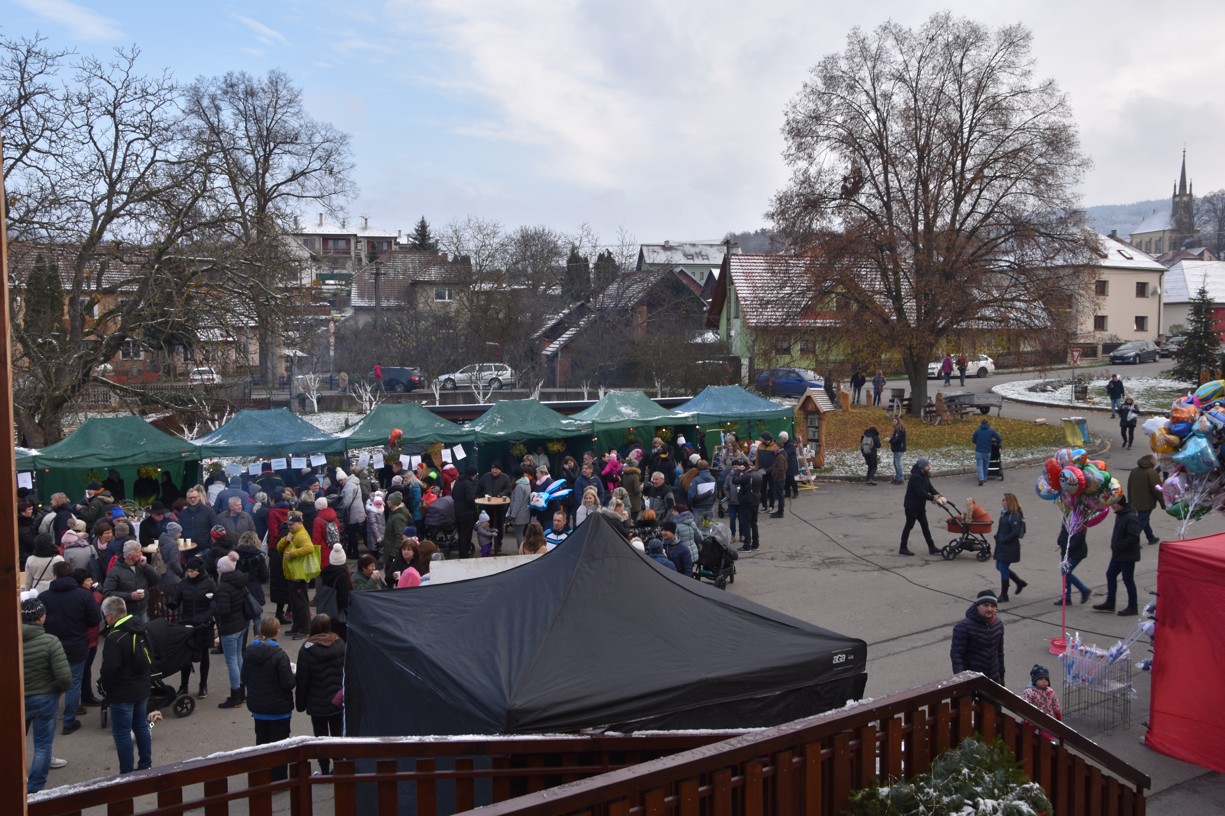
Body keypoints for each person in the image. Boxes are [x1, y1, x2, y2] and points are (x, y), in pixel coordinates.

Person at [40, 561, 102, 737]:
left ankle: (48, 719)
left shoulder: (44, 597)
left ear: (55, 576)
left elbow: (39, 622)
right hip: (76, 644)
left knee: (52, 682)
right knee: (74, 683)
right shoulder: (83, 596)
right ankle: (69, 721)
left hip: (51, 645)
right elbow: (94, 619)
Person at [22, 592, 73, 792]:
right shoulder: (50, 641)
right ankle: (35, 789)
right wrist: (58, 690)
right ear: (41, 617)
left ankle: (15, 782)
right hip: (44, 697)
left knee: (15, 743)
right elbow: (65, 677)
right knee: (42, 745)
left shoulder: (8, 640)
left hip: (17, 699)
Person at [99, 596, 153, 774]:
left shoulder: (114, 637)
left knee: (122, 733)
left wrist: (105, 687)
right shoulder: (140, 627)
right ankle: (146, 765)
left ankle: (127, 772)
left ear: (110, 616)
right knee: (141, 726)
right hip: (142, 686)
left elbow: (110, 669)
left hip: (122, 692)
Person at [241, 616, 296, 781]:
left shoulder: (250, 652)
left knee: (262, 742)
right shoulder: (280, 655)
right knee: (279, 745)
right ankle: (278, 779)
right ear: (277, 632)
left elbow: (244, 677)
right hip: (279, 708)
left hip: (258, 707)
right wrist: (294, 674)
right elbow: (288, 684)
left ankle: (262, 776)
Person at [294, 614, 345, 776]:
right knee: (337, 735)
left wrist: (300, 703)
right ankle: (339, 766)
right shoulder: (339, 644)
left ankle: (324, 769)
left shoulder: (306, 649)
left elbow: (302, 680)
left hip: (316, 702)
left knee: (320, 737)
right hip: (337, 700)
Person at [170, 556, 215, 698]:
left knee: (204, 654)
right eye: (188, 571)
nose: (189, 574)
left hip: (204, 624)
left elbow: (215, 603)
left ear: (199, 571)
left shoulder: (209, 583)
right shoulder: (183, 583)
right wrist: (172, 603)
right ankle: (184, 686)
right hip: (188, 623)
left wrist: (207, 615)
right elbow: (176, 598)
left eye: (192, 571)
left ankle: (203, 685)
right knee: (186, 655)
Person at [214, 551, 251, 708]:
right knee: (238, 657)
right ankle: (242, 692)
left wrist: (213, 604)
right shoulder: (240, 580)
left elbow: (224, 610)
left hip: (230, 627)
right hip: (241, 624)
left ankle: (235, 694)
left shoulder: (224, 586)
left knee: (231, 661)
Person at [1093, 496, 1141, 616]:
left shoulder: (1130, 517)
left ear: (1121, 504)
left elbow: (1134, 537)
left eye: (1114, 504)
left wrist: (1119, 545)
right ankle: (1110, 603)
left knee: (1128, 580)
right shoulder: (1120, 515)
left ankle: (1133, 607)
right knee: (1110, 574)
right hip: (1118, 554)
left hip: (1127, 555)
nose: (1112, 506)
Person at [950, 589, 1005, 684]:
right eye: (986, 605)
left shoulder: (998, 624)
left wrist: (1001, 676)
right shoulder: (963, 627)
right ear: (977, 606)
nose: (989, 609)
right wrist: (961, 680)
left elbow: (999, 652)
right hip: (973, 681)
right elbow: (957, 655)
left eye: (993, 606)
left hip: (994, 678)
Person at [277, 512, 318, 640]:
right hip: (292, 575)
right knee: (295, 603)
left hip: (298, 575)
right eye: (288, 524)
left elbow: (309, 548)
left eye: (292, 524)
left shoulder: (301, 535)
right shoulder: (293, 534)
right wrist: (285, 540)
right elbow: (279, 548)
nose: (289, 526)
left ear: (299, 523)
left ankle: (305, 629)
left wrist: (293, 553)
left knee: (301, 604)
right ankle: (297, 627)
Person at [102, 540, 161, 622]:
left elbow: (157, 579)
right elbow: (107, 593)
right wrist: (130, 596)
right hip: (126, 613)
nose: (141, 554)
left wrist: (146, 566)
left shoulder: (141, 565)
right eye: (138, 552)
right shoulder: (115, 571)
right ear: (129, 555)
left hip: (143, 609)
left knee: (144, 629)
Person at [899, 459, 944, 556]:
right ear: (921, 467)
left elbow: (930, 488)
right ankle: (903, 547)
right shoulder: (915, 477)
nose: (929, 467)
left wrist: (939, 496)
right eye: (927, 465)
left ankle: (932, 547)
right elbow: (920, 492)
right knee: (909, 526)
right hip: (912, 506)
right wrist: (933, 498)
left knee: (925, 526)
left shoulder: (925, 475)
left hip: (920, 506)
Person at [993, 493, 1028, 603]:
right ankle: (1019, 582)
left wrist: (1004, 539)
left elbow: (1015, 532)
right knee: (999, 566)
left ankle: (1004, 595)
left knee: (1003, 568)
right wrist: (997, 536)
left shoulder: (1014, 515)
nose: (1002, 501)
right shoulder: (1004, 513)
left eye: (1004, 500)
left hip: (1009, 546)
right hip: (1002, 545)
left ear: (1009, 502)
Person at [1126, 454, 1165, 546]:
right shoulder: (1151, 472)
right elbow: (1157, 489)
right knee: (1142, 521)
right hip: (1146, 502)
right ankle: (1132, 541)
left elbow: (1129, 486)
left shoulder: (1134, 471)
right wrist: (1163, 503)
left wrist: (1130, 500)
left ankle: (1151, 537)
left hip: (1135, 501)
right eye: (1154, 459)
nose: (1156, 461)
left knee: (1144, 520)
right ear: (1150, 460)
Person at [317, 544, 353, 639]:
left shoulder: (324, 572)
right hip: (339, 615)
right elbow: (345, 598)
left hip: (325, 610)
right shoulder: (342, 576)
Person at [1021, 664, 1062, 740]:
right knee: (1026, 733)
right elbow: (1026, 704)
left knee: (1046, 737)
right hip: (1032, 718)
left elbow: (1055, 703)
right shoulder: (1029, 692)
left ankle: (1046, 744)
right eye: (1040, 679)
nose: (1044, 681)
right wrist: (1026, 718)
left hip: (1047, 718)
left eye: (1046, 679)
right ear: (1035, 681)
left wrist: (1057, 713)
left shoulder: (1050, 692)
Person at [1054, 525, 1092, 606]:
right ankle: (1067, 598)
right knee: (1065, 574)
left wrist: (1068, 547)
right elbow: (1064, 530)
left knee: (1066, 573)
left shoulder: (1079, 522)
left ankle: (1084, 590)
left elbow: (1079, 539)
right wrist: (1060, 540)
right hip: (1066, 552)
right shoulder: (1066, 519)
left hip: (1075, 553)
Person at [733, 458, 762, 552]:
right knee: (754, 523)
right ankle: (755, 544)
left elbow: (734, 480)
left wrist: (737, 471)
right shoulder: (758, 474)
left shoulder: (747, 476)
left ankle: (747, 546)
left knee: (746, 524)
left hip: (746, 502)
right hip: (756, 500)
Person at [971, 419, 1002, 487]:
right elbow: (999, 438)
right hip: (987, 451)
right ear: (987, 423)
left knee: (979, 465)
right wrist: (998, 442)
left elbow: (973, 440)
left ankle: (981, 478)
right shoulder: (991, 430)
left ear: (981, 424)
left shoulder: (977, 431)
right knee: (986, 465)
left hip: (979, 451)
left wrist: (978, 443)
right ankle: (984, 478)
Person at [779, 432, 800, 499]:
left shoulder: (790, 445)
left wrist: (780, 451)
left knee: (792, 479)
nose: (780, 439)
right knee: (786, 479)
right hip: (787, 464)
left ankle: (796, 492)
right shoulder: (785, 444)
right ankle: (787, 493)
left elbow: (786, 453)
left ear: (784, 438)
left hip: (791, 465)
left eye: (781, 438)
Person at [888, 418, 907, 485]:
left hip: (899, 448)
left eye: (895, 421)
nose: (893, 422)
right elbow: (896, 438)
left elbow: (897, 439)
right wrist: (891, 439)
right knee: (895, 463)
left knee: (897, 463)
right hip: (897, 448)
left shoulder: (899, 429)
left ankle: (900, 479)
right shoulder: (898, 429)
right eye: (893, 421)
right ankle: (897, 478)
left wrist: (889, 440)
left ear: (898, 422)